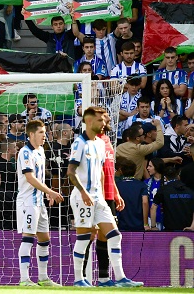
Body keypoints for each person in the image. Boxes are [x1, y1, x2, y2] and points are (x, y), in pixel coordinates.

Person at [67, 107, 143, 287]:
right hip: (82, 198)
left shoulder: (101, 143)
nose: (104, 123)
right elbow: (70, 172)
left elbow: (101, 172)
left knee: (115, 235)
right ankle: (78, 280)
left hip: (98, 198)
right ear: (89, 121)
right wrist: (84, 192)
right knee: (84, 238)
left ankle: (121, 278)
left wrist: (102, 196)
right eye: (100, 120)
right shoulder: (79, 143)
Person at [16, 120, 63, 286]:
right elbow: (30, 178)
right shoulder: (25, 152)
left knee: (44, 238)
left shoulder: (41, 151)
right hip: (28, 202)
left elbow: (39, 178)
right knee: (28, 237)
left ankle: (43, 278)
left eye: (45, 132)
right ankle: (24, 279)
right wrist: (50, 191)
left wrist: (46, 192)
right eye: (41, 132)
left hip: (39, 201)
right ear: (31, 134)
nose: (45, 135)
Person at [152, 166, 194, 231]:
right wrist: (192, 227)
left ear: (165, 178)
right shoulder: (190, 191)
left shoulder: (163, 190)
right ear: (178, 176)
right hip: (186, 231)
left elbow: (153, 207)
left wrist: (153, 226)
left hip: (170, 230)